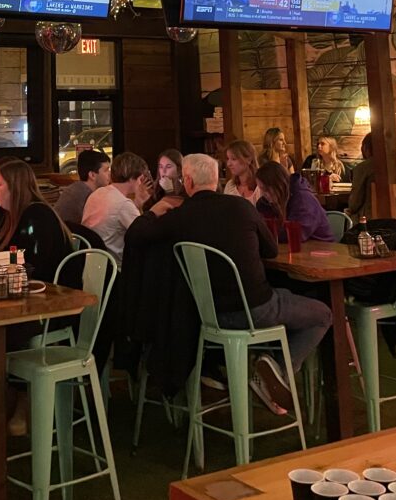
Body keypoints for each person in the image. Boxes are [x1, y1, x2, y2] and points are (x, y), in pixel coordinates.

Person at [125, 153, 332, 414]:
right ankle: (273, 367)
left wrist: (153, 210)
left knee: (287, 297)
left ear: (187, 181)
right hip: (254, 308)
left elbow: (135, 235)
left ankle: (266, 368)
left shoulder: (180, 216)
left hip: (206, 317)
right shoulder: (241, 207)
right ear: (216, 180)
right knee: (323, 314)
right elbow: (269, 251)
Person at [0, 160, 73, 283]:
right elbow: (13, 256)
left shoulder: (38, 215)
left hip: (55, 292)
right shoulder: (10, 216)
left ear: (15, 187)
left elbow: (32, 265)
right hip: (28, 289)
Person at [81, 151, 151, 269]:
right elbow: (144, 236)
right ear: (138, 178)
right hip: (114, 269)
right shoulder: (124, 204)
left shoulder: (97, 193)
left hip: (91, 265)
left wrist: (138, 204)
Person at [256, 161, 334, 243]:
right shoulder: (266, 203)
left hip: (323, 250)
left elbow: (295, 235)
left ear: (279, 185)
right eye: (261, 189)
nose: (262, 194)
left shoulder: (303, 200)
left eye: (266, 189)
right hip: (296, 250)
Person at [54, 148, 112, 225]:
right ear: (92, 175)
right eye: (106, 170)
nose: (110, 174)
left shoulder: (75, 188)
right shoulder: (88, 196)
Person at [144, 148, 186, 212]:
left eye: (168, 167)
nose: (163, 171)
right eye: (161, 167)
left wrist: (169, 191)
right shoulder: (155, 189)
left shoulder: (185, 188)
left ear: (179, 169)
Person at [346, 134, 375, 221]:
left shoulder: (363, 168)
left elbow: (355, 203)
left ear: (366, 148)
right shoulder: (394, 165)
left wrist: (350, 209)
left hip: (367, 219)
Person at [224, 140, 261, 204]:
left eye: (233, 159)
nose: (228, 164)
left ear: (249, 160)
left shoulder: (260, 186)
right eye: (228, 159)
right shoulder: (230, 186)